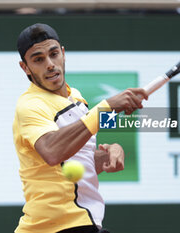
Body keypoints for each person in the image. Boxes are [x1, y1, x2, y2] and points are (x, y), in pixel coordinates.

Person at [13, 23, 147, 233]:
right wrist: (105, 108)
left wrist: (110, 153)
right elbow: (52, 151)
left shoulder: (76, 97)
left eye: (54, 54)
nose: (50, 64)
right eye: (38, 59)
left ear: (63, 54)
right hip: (56, 227)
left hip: (81, 223)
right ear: (25, 67)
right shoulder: (30, 105)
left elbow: (75, 161)